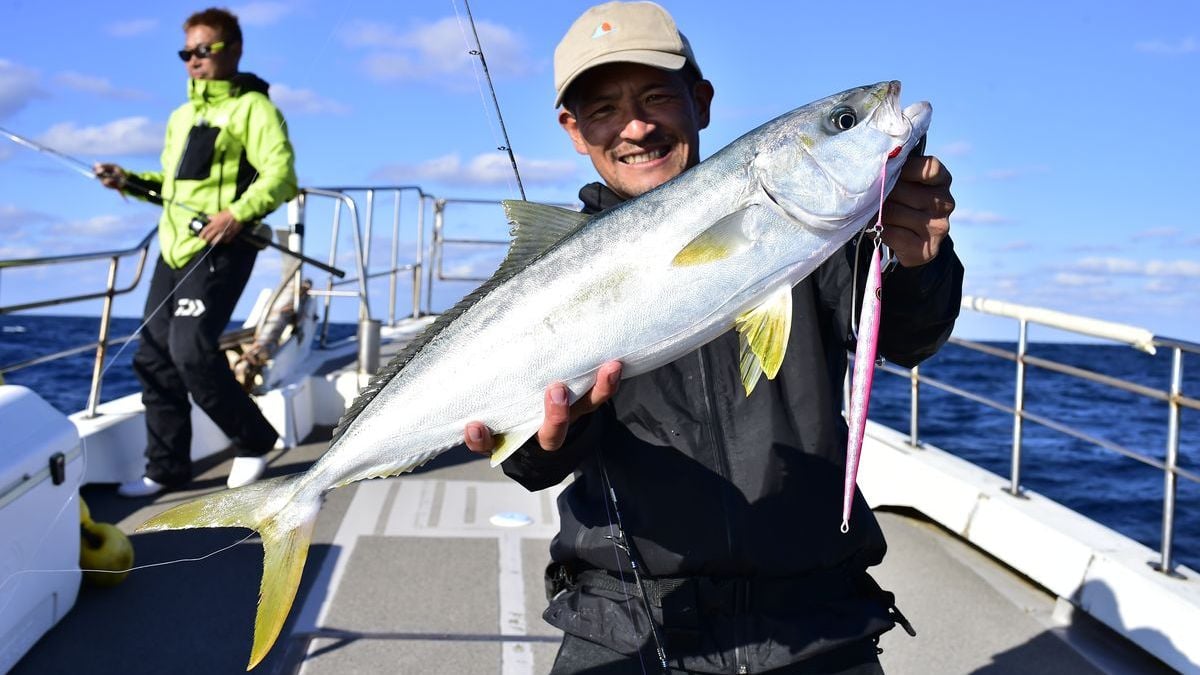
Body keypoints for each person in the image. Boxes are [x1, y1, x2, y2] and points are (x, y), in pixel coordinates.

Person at [463, 2, 964, 673]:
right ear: (574, 130)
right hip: (626, 620)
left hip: (816, 619)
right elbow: (530, 459)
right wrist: (553, 434)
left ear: (700, 100)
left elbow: (908, 337)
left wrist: (919, 264)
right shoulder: (553, 276)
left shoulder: (826, 237)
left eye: (656, 96)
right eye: (604, 108)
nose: (636, 126)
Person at [95, 7, 298, 497]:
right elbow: (170, 188)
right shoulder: (181, 116)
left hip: (223, 247)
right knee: (153, 356)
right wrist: (128, 181)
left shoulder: (256, 109)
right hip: (174, 250)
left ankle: (253, 440)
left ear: (233, 50)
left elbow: (282, 177)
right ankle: (166, 468)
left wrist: (237, 214)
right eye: (186, 52)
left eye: (203, 50)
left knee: (189, 348)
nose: (193, 61)